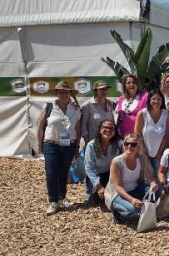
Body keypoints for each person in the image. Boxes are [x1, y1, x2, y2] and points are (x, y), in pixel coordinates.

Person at [37, 81, 82, 215]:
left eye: (66, 92)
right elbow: (40, 126)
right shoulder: (48, 107)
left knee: (64, 172)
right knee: (51, 173)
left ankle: (62, 197)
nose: (64, 94)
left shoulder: (75, 109)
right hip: (51, 144)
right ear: (56, 93)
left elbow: (78, 130)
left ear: (70, 94)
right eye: (61, 92)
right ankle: (53, 201)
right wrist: (39, 144)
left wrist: (77, 146)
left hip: (68, 145)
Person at [105, 133, 158, 223]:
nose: (129, 146)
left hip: (136, 190)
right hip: (117, 194)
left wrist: (153, 183)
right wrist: (131, 200)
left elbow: (149, 175)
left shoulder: (142, 158)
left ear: (139, 147)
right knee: (133, 211)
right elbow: (118, 187)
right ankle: (118, 214)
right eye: (126, 144)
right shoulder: (116, 162)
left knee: (156, 191)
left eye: (133, 144)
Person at [84, 119, 122, 207]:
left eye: (111, 128)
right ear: (100, 129)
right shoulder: (91, 145)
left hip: (110, 175)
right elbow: (89, 168)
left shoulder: (117, 144)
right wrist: (99, 186)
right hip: (96, 176)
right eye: (105, 128)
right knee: (95, 201)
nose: (108, 130)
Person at [134, 88, 169, 175]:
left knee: (159, 177)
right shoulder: (142, 114)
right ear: (149, 100)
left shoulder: (166, 115)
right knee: (146, 178)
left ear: (162, 100)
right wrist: (144, 152)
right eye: (153, 99)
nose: (156, 101)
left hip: (159, 154)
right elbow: (137, 134)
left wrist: (159, 153)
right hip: (143, 152)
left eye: (159, 99)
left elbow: (166, 135)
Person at [116, 74, 148, 139]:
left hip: (139, 137)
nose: (131, 84)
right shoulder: (120, 99)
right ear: (125, 86)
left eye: (134, 82)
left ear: (137, 84)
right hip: (123, 136)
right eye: (128, 83)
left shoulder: (145, 96)